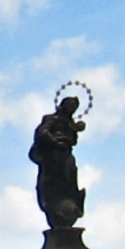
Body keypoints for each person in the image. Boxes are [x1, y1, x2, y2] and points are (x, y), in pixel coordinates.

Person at [30, 94, 87, 233]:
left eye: (73, 109)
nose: (71, 110)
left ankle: (72, 204)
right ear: (63, 106)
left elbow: (73, 140)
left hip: (65, 156)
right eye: (69, 107)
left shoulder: (69, 123)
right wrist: (55, 140)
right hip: (53, 157)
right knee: (51, 182)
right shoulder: (50, 119)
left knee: (69, 179)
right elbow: (42, 132)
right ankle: (54, 207)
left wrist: (75, 130)